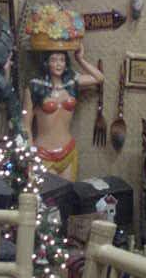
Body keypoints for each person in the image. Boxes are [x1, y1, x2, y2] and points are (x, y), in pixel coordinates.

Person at [22, 43, 103, 181]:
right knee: (49, 193)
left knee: (68, 192)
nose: (58, 64)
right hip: (43, 154)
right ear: (46, 63)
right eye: (53, 60)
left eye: (62, 60)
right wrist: (30, 155)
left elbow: (99, 78)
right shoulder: (34, 87)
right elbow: (25, 126)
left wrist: (80, 59)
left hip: (68, 151)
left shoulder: (71, 83)